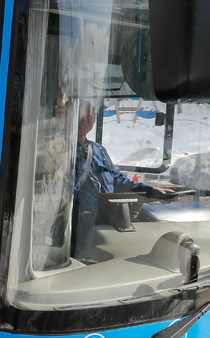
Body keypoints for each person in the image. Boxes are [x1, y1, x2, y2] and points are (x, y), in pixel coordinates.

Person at [72, 102, 171, 259]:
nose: (85, 121)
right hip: (76, 220)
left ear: (95, 119)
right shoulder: (61, 148)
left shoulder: (98, 150)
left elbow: (116, 179)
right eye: (81, 116)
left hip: (104, 218)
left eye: (89, 116)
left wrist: (150, 191)